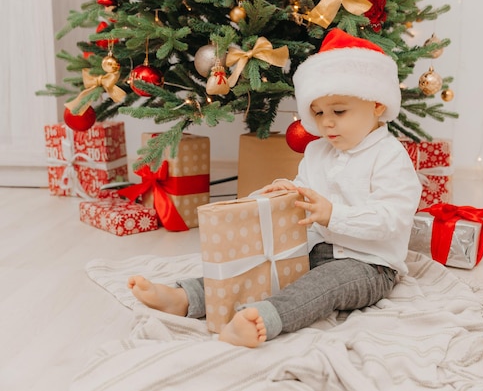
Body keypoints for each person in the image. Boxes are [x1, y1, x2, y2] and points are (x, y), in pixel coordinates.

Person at [128, 28, 422, 348]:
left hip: (369, 264)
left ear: (377, 105)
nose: (327, 123)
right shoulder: (318, 151)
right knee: (259, 268)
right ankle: (186, 296)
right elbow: (306, 191)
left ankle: (264, 318)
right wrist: (288, 192)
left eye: (339, 111)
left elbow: (392, 218)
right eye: (319, 112)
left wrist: (334, 215)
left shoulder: (390, 156)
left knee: (322, 285)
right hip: (315, 249)